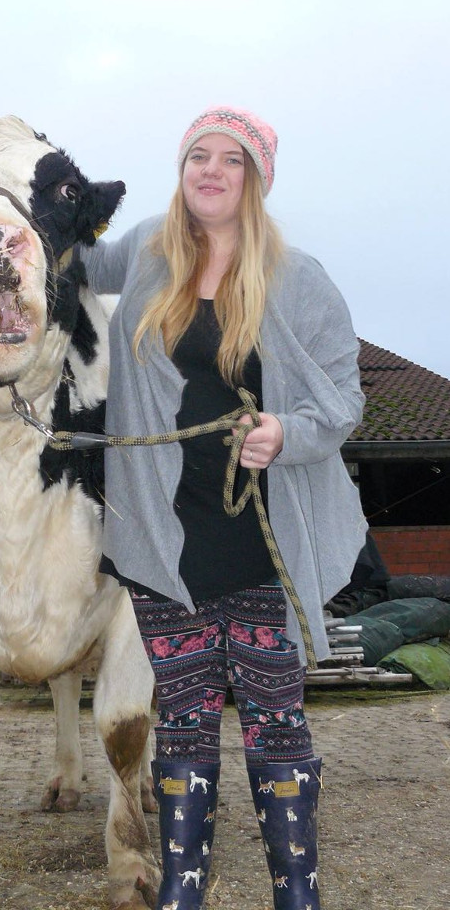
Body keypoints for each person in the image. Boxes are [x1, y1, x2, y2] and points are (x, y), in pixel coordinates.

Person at [81, 106, 368, 910]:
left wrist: (287, 431)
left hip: (262, 536)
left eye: (230, 160)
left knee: (276, 723)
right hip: (163, 538)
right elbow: (60, 253)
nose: (210, 171)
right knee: (182, 720)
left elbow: (345, 403)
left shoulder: (298, 277)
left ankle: (297, 895)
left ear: (257, 178)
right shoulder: (144, 249)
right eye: (197, 157)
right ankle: (181, 892)